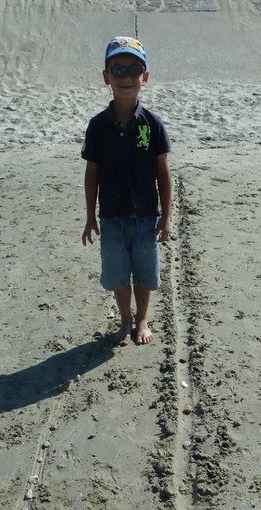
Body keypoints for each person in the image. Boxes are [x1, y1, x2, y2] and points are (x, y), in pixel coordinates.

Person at [81, 36, 172, 346]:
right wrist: (90, 217)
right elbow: (91, 173)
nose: (126, 78)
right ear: (106, 76)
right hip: (111, 217)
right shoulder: (96, 126)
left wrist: (166, 217)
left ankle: (143, 319)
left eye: (134, 71)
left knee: (144, 275)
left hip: (146, 217)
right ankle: (124, 321)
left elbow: (164, 174)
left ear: (145, 77)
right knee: (119, 276)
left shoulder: (154, 125)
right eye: (117, 70)